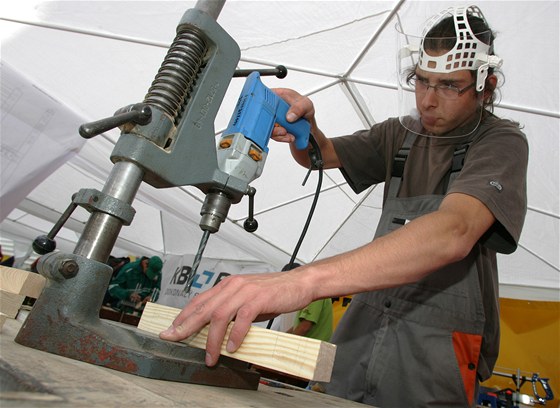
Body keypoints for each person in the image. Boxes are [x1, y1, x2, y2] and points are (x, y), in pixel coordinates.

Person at [160, 6, 528, 407]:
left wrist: (302, 282)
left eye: (449, 86)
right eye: (421, 82)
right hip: (368, 323)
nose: (429, 101)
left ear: (485, 86)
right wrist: (307, 127)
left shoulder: (501, 143)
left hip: (440, 340)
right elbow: (324, 155)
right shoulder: (399, 136)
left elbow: (455, 230)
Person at [282, 263, 333, 342]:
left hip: (313, 349)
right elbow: (298, 326)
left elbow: (305, 327)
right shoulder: (308, 293)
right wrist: (281, 337)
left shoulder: (313, 293)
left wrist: (286, 343)